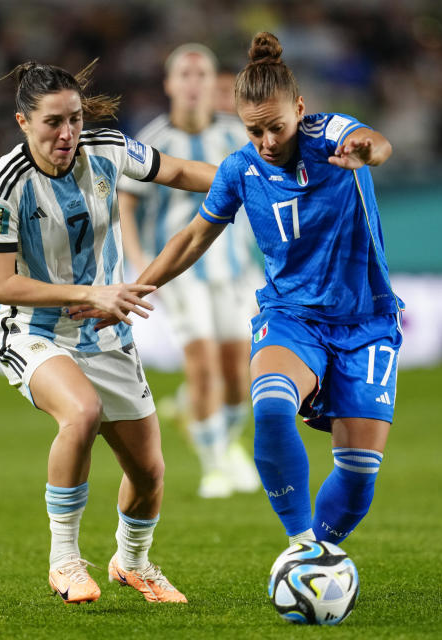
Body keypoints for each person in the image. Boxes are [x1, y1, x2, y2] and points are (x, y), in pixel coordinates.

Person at [75, 32, 402, 549]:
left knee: (359, 475)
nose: (268, 141)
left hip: (367, 322)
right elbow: (192, 237)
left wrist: (370, 150)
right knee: (269, 405)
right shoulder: (240, 167)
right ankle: (300, 546)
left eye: (276, 127)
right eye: (255, 131)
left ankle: (322, 546)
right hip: (291, 315)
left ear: (300, 108)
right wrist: (137, 289)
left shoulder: (335, 134)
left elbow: (379, 143)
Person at [0, 60, 216, 604]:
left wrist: (246, 177)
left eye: (75, 119)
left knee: (150, 473)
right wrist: (91, 294)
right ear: (22, 123)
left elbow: (177, 172)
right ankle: (64, 561)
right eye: (52, 123)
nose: (67, 134)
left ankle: (133, 564)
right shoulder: (5, 185)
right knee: (80, 413)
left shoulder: (107, 147)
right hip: (35, 331)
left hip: (105, 331)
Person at [117, 43, 260, 499]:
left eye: (203, 74)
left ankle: (220, 437)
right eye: (185, 74)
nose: (194, 83)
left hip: (236, 269)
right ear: (170, 84)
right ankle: (214, 463)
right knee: (202, 366)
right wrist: (140, 263)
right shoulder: (153, 139)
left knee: (239, 373)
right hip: (179, 272)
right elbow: (126, 202)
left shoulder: (237, 136)